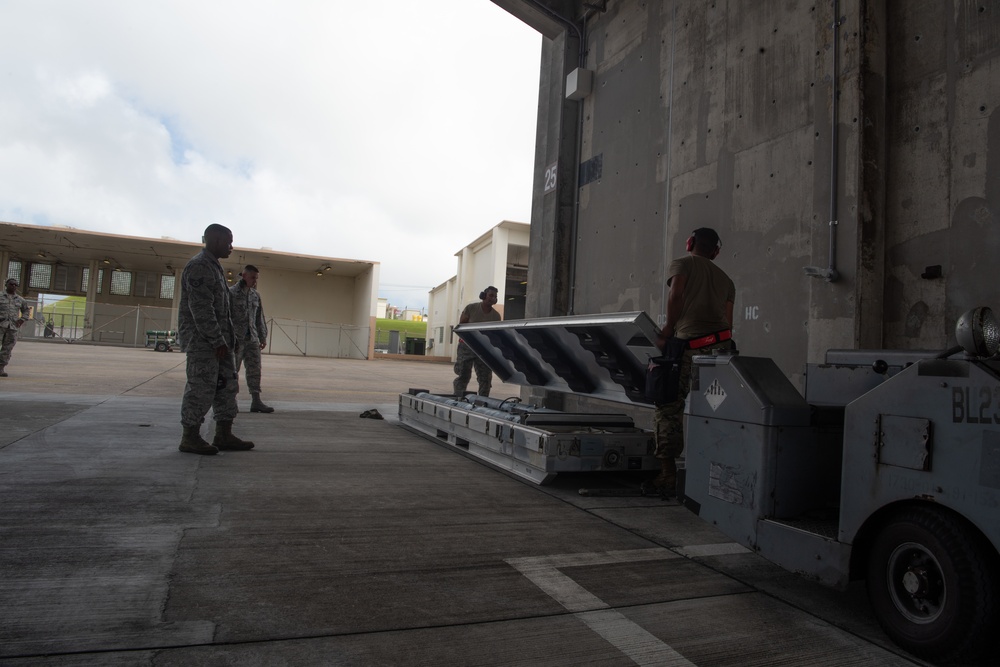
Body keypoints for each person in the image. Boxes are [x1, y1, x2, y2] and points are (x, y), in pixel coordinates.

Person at [648, 227, 736, 497]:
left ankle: (667, 474)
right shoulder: (727, 280)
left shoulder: (682, 263)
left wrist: (666, 331)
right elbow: (729, 322)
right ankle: (716, 476)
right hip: (722, 349)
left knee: (668, 407)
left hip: (688, 348)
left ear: (690, 243)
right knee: (717, 410)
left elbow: (676, 295)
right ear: (716, 252)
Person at [177, 224, 255, 455]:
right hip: (205, 343)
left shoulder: (214, 267)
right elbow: (201, 308)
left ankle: (223, 434)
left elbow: (221, 309)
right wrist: (216, 340)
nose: (231, 247)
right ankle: (189, 436)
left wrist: (227, 340)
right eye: (228, 242)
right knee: (201, 387)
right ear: (215, 240)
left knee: (227, 386)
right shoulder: (199, 266)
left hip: (220, 342)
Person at [230, 264, 273, 413]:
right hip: (236, 340)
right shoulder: (231, 294)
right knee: (232, 371)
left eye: (257, 278)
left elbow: (259, 317)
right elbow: (225, 318)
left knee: (255, 370)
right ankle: (231, 402)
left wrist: (262, 336)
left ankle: (256, 400)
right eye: (253, 277)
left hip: (252, 339)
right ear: (244, 276)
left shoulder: (255, 295)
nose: (255, 281)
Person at [453, 286, 502, 397]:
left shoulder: (496, 316)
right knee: (463, 374)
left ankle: (483, 401)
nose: (493, 298)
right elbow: (461, 326)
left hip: (484, 348)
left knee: (485, 379)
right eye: (491, 295)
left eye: (495, 296)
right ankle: (458, 398)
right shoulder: (471, 308)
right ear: (483, 295)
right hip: (467, 346)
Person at [0, 278, 31, 377]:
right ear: (6, 285)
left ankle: (1, 368)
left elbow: (26, 311)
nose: (13, 286)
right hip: (0, 325)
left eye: (15, 285)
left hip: (12, 328)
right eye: (11, 284)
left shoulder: (20, 299)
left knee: (7, 348)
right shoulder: (0, 296)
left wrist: (22, 319)